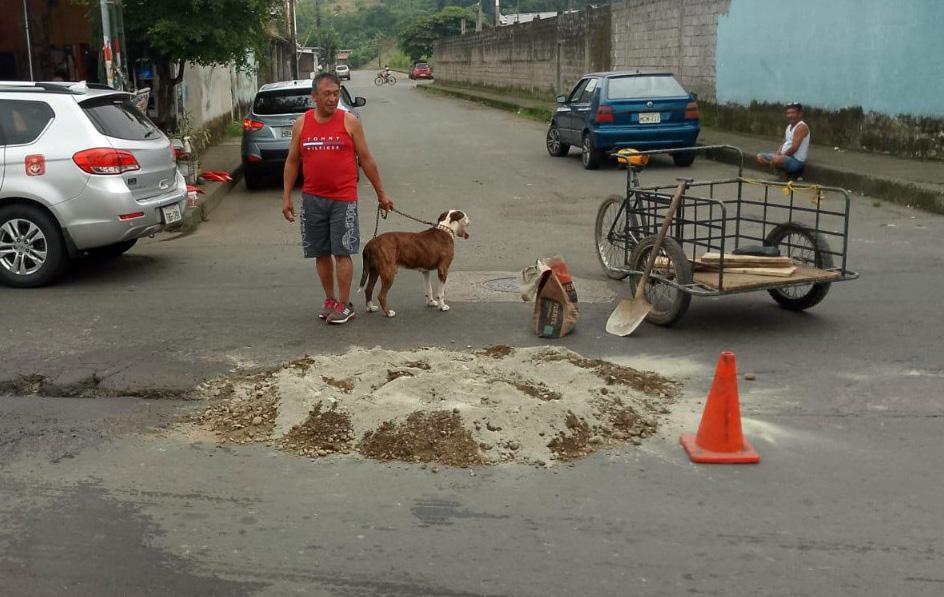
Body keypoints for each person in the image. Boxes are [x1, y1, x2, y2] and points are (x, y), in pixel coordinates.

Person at [282, 72, 394, 325]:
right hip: (312, 199)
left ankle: (344, 304)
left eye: (335, 93)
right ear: (314, 97)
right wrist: (286, 197)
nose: (332, 99)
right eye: (327, 94)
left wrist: (381, 193)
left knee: (342, 252)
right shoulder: (301, 124)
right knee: (321, 253)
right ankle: (330, 299)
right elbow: (292, 162)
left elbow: (366, 160)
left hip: (343, 199)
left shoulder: (349, 121)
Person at [757, 102, 810, 180]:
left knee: (776, 160)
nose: (790, 115)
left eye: (793, 113)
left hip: (796, 161)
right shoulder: (789, 127)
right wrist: (777, 154)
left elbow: (794, 148)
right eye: (788, 113)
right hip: (784, 157)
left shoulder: (801, 127)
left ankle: (785, 173)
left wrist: (779, 157)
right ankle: (783, 172)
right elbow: (784, 144)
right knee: (760, 157)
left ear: (800, 114)